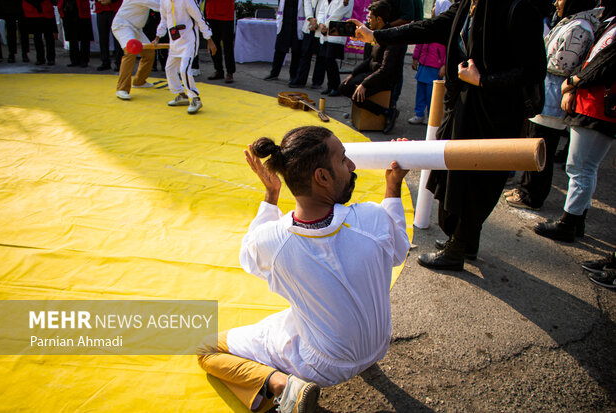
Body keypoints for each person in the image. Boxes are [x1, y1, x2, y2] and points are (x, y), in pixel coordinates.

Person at [197, 126, 411, 413]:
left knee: (206, 348)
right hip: (377, 346)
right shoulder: (372, 219)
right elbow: (397, 252)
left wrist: (271, 194)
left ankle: (284, 387)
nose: (352, 166)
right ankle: (289, 384)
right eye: (344, 160)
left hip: (323, 366)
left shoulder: (272, 242)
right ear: (322, 177)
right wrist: (393, 186)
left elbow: (250, 257)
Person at [351, 0, 546, 270]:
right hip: (465, 105)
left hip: (495, 114)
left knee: (476, 181)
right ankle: (465, 242)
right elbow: (428, 28)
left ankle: (457, 249)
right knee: (454, 176)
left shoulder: (518, 8)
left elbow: (533, 70)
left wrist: (483, 81)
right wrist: (376, 36)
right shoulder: (469, 4)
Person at [503, 0, 601, 211]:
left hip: (553, 98)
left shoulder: (580, 27)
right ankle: (523, 187)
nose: (556, 2)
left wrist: (534, 59)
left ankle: (532, 195)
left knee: (541, 148)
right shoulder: (571, 22)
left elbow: (563, 62)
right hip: (545, 94)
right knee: (532, 142)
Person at [534, 3, 615, 243]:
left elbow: (604, 65)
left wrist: (574, 81)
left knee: (581, 168)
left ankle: (569, 222)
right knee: (581, 168)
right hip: (590, 105)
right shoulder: (607, 24)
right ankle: (575, 219)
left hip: (598, 108)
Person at [338, 1, 405, 133]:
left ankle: (388, 112)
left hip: (385, 79)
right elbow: (370, 60)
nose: (367, 21)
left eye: (370, 18)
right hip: (373, 73)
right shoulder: (375, 34)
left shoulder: (391, 38)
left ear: (379, 19)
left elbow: (386, 69)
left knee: (357, 96)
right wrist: (353, 74)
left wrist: (364, 84)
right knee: (344, 87)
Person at [153, 0, 216, 114]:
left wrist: (209, 39)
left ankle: (195, 99)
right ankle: (183, 96)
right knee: (169, 69)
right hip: (174, 43)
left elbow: (200, 18)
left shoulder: (187, 0)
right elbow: (164, 20)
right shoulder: (164, 1)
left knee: (184, 70)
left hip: (189, 41)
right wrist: (158, 36)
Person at [407, 0, 450, 125]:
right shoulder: (429, 26)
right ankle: (419, 114)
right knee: (421, 91)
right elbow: (420, 43)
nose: (433, 8)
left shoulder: (446, 30)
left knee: (433, 94)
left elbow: (449, 50)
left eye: (435, 6)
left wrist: (444, 65)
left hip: (435, 67)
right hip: (423, 65)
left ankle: (431, 116)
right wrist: (415, 58)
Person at [111, 0, 160, 100]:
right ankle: (122, 89)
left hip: (136, 28)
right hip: (123, 26)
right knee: (130, 51)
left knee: (149, 52)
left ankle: (139, 81)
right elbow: (160, 6)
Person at [317, 0, 355, 96]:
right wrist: (321, 23)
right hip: (326, 30)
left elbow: (340, 12)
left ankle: (336, 87)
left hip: (337, 29)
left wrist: (326, 24)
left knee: (330, 59)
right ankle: (330, 86)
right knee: (326, 59)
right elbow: (321, 10)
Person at [264, 0, 304, 83]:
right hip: (284, 22)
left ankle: (293, 76)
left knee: (296, 51)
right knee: (279, 49)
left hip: (297, 23)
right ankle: (274, 73)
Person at [288, 0, 326, 88]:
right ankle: (300, 80)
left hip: (321, 27)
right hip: (309, 25)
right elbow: (307, 3)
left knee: (321, 57)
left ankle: (317, 82)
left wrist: (319, 22)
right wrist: (310, 18)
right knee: (305, 54)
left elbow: (327, 7)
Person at [205, 0, 236, 83]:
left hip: (227, 13)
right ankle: (218, 70)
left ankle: (230, 72)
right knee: (213, 44)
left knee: (228, 45)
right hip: (211, 12)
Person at [57, 0, 93, 67]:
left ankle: (84, 60)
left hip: (81, 10)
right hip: (68, 10)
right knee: (72, 38)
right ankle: (74, 60)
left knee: (84, 37)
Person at [22, 0, 58, 65]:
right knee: (42, 36)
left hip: (39, 11)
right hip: (39, 11)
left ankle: (44, 58)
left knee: (43, 36)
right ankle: (45, 58)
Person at [95, 0, 123, 71]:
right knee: (103, 37)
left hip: (115, 8)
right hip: (101, 8)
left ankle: (119, 63)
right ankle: (105, 61)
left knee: (117, 37)